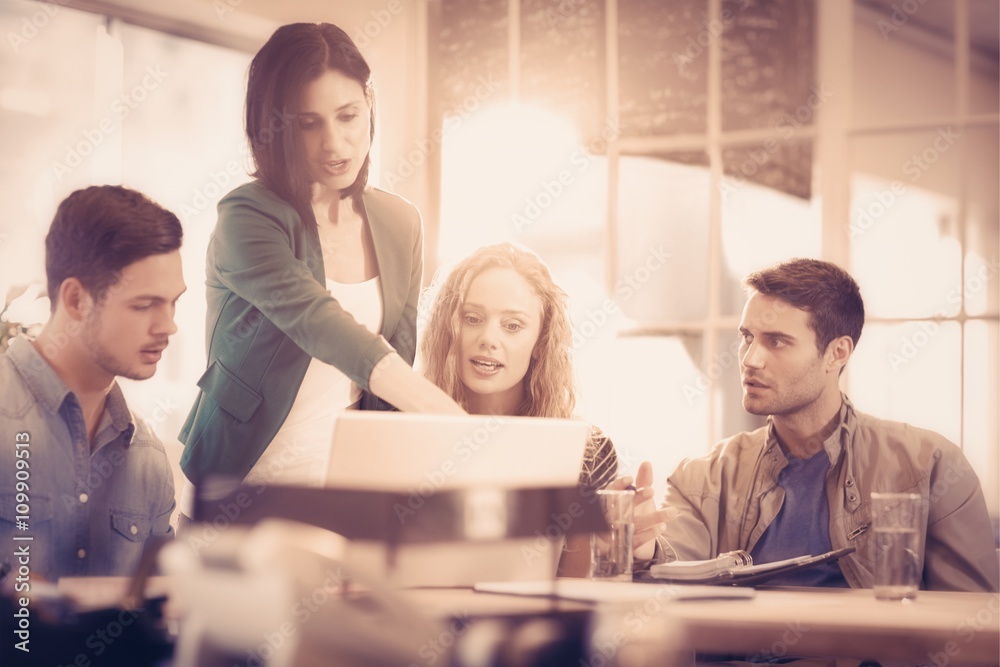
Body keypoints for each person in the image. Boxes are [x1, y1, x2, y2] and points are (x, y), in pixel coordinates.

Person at [178, 23, 463, 503]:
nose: (335, 143)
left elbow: (396, 362)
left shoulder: (400, 223)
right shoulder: (247, 216)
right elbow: (319, 322)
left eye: (348, 115)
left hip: (347, 497)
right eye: (309, 124)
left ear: (370, 107)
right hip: (239, 493)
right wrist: (449, 416)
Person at [655, 258, 999, 591]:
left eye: (776, 341)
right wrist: (642, 548)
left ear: (837, 353)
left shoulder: (931, 466)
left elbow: (969, 624)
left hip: (859, 653)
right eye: (748, 337)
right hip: (737, 652)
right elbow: (669, 563)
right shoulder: (702, 477)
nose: (749, 360)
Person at [420, 242, 671, 575]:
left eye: (512, 326)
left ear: (540, 342)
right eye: (472, 318)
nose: (488, 339)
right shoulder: (402, 431)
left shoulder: (588, 452)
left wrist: (637, 550)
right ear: (447, 327)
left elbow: (586, 595)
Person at [0, 185, 183, 579]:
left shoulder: (149, 459)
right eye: (144, 305)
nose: (168, 326)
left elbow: (153, 619)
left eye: (173, 303)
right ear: (76, 301)